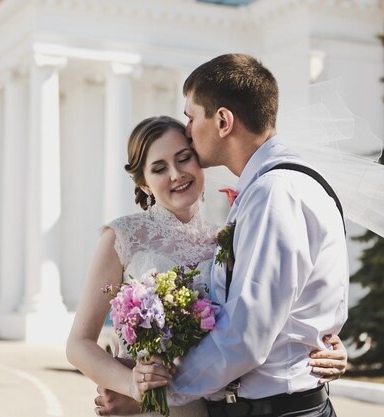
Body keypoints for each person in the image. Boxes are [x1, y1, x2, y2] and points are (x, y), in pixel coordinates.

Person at [66, 115, 348, 417]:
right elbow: (79, 344)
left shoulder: (226, 237)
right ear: (144, 183)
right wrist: (133, 387)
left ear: (200, 163)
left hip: (210, 409)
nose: (176, 174)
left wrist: (320, 341)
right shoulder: (122, 236)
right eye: (159, 168)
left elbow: (259, 317)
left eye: (184, 159)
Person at [130, 54, 349, 417]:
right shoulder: (279, 184)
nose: (186, 129)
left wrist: (158, 392)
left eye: (190, 116)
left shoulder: (273, 194)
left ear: (222, 120)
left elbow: (246, 336)